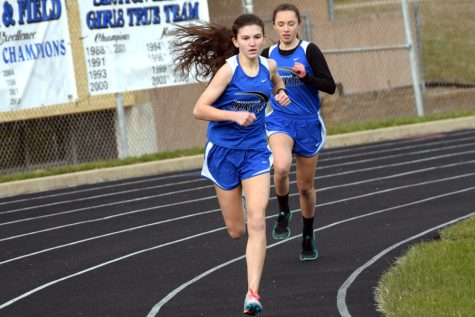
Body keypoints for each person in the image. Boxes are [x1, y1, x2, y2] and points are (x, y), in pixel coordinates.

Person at [172, 14, 290, 315]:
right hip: (223, 153)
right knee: (237, 230)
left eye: (257, 37)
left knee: (258, 219)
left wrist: (280, 92)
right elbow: (199, 109)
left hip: (254, 153)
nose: (253, 43)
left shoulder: (269, 66)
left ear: (264, 39)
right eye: (246, 38)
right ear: (236, 41)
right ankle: (235, 203)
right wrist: (233, 116)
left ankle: (253, 294)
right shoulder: (228, 71)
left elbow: (276, 81)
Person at [261, 3, 336, 261]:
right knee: (281, 168)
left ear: (298, 25)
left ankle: (307, 234)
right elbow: (257, 84)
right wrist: (275, 92)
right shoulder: (268, 53)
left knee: (305, 187)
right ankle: (283, 211)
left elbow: (330, 86)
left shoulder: (309, 51)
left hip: (307, 124)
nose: (285, 29)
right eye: (280, 24)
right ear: (274, 26)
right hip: (280, 121)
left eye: (290, 24)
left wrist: (306, 78)